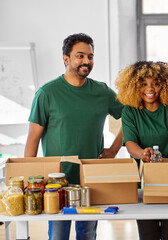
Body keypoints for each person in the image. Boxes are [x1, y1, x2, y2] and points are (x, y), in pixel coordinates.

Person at [25, 33, 124, 240]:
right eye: (80, 56)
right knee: (58, 236)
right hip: (57, 181)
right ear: (66, 59)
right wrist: (30, 179)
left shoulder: (102, 92)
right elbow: (33, 139)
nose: (86, 61)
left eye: (90, 56)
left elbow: (131, 117)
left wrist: (114, 150)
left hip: (90, 179)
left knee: (87, 234)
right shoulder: (47, 93)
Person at [115, 61, 168, 240]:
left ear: (165, 85)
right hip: (145, 182)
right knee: (148, 235)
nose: (150, 89)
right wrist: (143, 153)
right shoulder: (130, 111)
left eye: (156, 83)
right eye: (143, 84)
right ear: (134, 86)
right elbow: (130, 143)